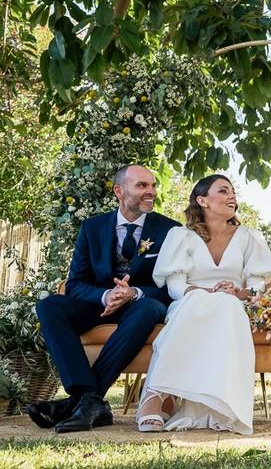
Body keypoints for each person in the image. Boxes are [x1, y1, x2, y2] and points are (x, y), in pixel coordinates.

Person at [30, 165, 179, 433]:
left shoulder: (170, 230)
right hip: (100, 305)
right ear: (119, 191)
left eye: (153, 185)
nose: (151, 191)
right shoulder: (92, 228)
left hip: (143, 305)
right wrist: (107, 294)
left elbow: (174, 286)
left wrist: (133, 292)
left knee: (146, 308)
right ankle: (89, 397)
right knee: (49, 305)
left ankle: (79, 403)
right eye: (142, 186)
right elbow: (75, 283)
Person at [135, 175, 271, 434]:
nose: (232, 196)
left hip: (232, 305)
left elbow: (257, 286)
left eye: (233, 192)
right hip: (189, 303)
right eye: (223, 191)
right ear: (202, 200)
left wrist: (239, 292)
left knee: (227, 304)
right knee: (199, 299)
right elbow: (176, 287)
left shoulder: (248, 237)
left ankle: (213, 403)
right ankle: (156, 393)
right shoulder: (181, 236)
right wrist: (201, 290)